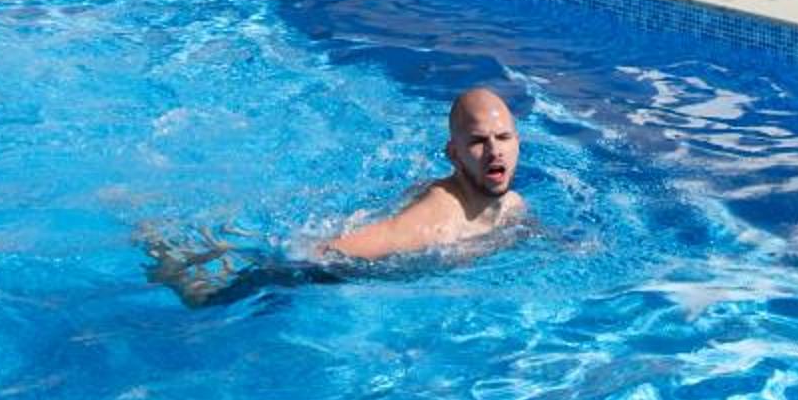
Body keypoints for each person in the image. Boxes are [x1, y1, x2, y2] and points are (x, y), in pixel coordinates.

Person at [145, 86, 528, 305]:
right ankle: (167, 256)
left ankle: (218, 239)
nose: (495, 151)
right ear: (454, 154)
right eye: (478, 141)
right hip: (326, 272)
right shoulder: (436, 220)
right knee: (207, 302)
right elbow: (323, 254)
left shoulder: (511, 204)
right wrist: (289, 265)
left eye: (503, 138)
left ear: (518, 143)